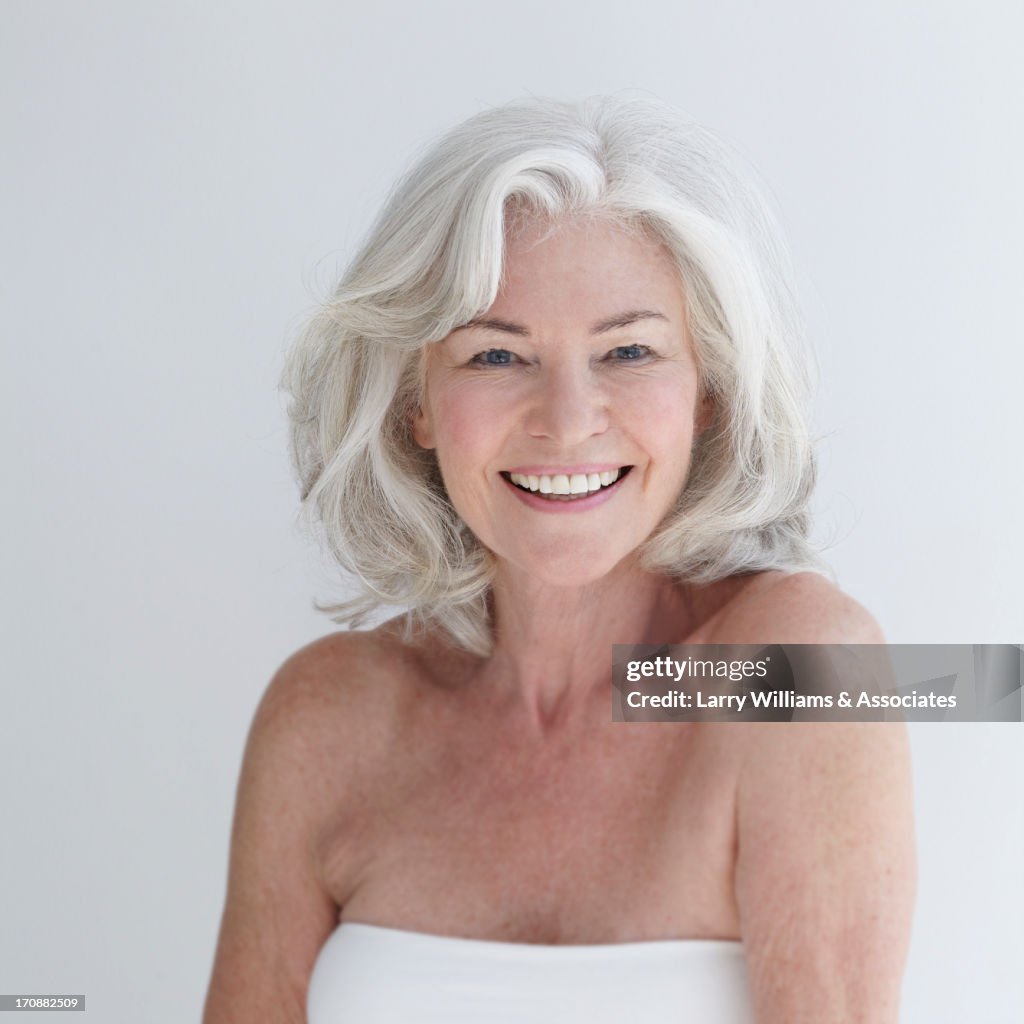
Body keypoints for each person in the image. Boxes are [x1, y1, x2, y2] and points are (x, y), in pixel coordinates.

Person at [202, 96, 916, 1023]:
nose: (567, 419)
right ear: (415, 406)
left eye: (628, 350)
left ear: (708, 395)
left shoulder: (802, 668)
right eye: (497, 358)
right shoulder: (326, 716)